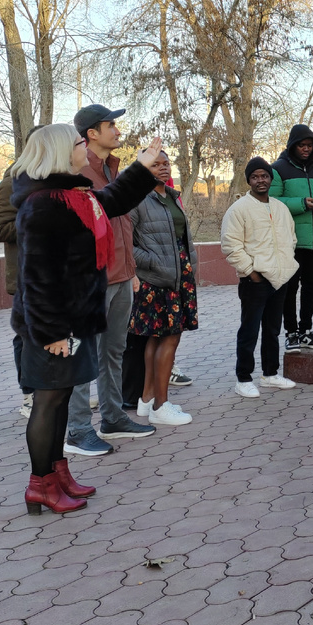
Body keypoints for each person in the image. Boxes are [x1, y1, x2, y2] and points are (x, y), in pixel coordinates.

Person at [11, 124, 161, 515]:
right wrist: (52, 333)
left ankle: (58, 473)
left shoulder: (74, 196)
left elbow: (111, 199)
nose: (85, 147)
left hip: (71, 322)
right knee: (47, 401)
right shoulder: (43, 203)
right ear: (64, 152)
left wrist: (142, 167)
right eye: (79, 143)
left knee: (60, 398)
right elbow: (37, 277)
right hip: (52, 328)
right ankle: (39, 484)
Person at [65, 104, 155, 457]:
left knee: (112, 351)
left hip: (121, 276)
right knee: (83, 357)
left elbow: (122, 224)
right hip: (92, 280)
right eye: (110, 125)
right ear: (91, 133)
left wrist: (130, 269)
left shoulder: (112, 169)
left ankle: (113, 418)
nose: (118, 130)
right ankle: (77, 430)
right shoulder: (76, 169)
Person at [128, 151, 198, 427]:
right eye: (155, 164)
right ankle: (161, 405)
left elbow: (181, 237)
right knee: (169, 338)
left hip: (179, 273)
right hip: (156, 278)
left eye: (166, 163)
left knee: (156, 339)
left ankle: (146, 401)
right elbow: (124, 240)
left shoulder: (171, 195)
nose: (163, 168)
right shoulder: (136, 198)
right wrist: (152, 262)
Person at [220, 158, 300, 398]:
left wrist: (286, 266)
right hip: (254, 281)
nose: (260, 180)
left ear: (270, 178)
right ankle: (243, 378)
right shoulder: (239, 209)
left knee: (273, 329)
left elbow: (291, 238)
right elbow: (231, 245)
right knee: (250, 330)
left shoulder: (280, 207)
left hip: (280, 278)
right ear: (249, 181)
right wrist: (251, 272)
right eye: (255, 177)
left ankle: (270, 374)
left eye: (264, 176)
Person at [271, 125, 313, 353]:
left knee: (310, 287)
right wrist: (301, 204)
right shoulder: (279, 169)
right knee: (290, 288)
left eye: (310, 146)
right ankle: (291, 334)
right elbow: (273, 201)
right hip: (290, 241)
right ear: (293, 145)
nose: (306, 149)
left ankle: (306, 330)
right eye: (302, 145)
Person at [0, 127, 40, 420]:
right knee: (27, 336)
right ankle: (29, 394)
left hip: (55, 275)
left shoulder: (56, 180)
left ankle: (51, 391)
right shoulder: (13, 180)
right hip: (26, 275)